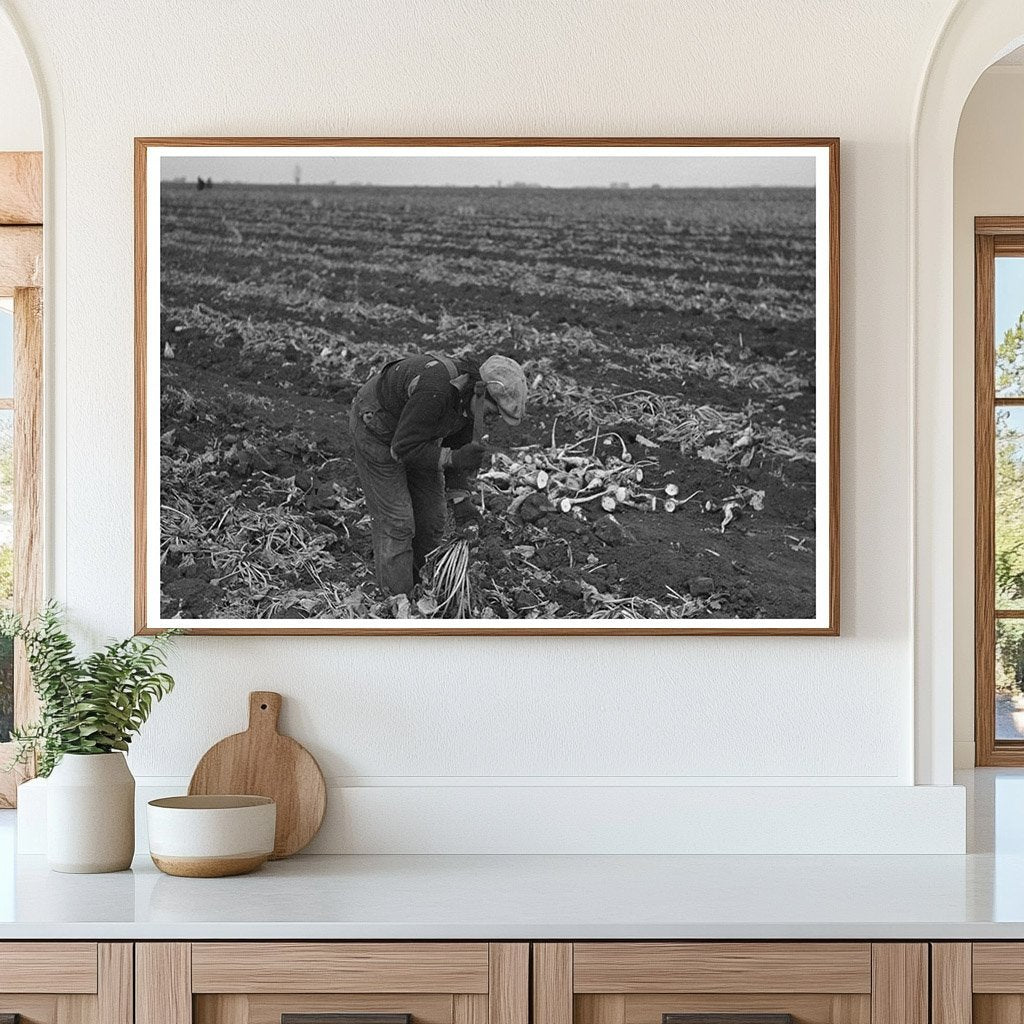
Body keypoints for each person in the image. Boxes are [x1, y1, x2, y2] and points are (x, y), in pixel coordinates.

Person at [349, 352, 527, 597]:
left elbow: (456, 445)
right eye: (491, 413)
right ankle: (396, 602)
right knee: (398, 522)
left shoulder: (469, 404)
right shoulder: (437, 390)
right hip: (378, 430)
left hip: (419, 436)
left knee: (432, 520)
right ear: (480, 392)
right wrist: (453, 458)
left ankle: (422, 590)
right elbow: (402, 449)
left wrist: (461, 500)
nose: (489, 420)